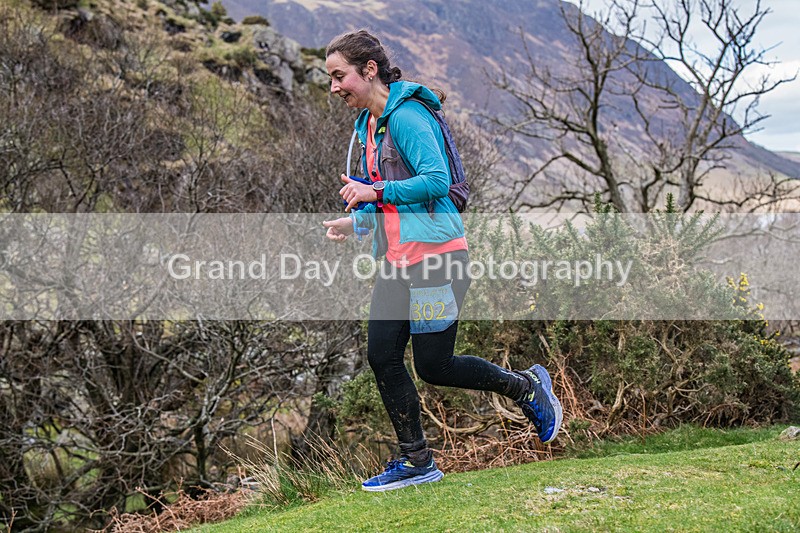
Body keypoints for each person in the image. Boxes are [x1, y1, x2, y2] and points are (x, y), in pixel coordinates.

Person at [322, 29, 562, 492]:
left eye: (339, 76)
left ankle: (527, 388)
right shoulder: (369, 126)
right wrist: (360, 222)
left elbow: (437, 180)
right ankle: (417, 461)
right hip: (398, 260)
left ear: (368, 71)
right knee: (381, 355)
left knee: (435, 365)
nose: (334, 87)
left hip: (436, 260)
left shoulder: (408, 116)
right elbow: (393, 201)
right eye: (330, 79)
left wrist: (374, 192)